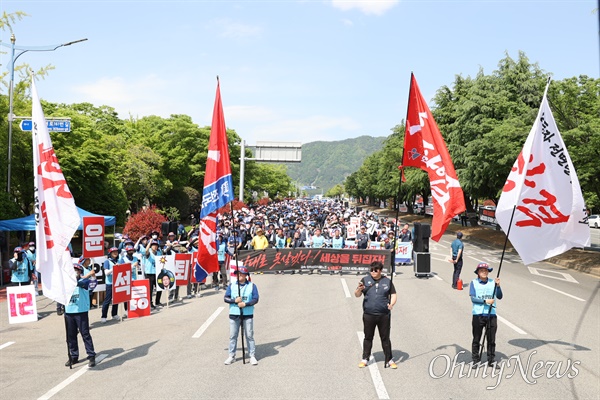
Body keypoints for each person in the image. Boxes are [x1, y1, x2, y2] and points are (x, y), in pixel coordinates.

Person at [354, 261, 397, 369]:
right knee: (368, 337)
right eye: (371, 270)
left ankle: (389, 359)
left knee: (385, 338)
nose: (373, 272)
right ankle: (365, 358)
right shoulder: (365, 280)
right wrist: (359, 289)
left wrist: (391, 304)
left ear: (380, 270)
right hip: (369, 314)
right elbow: (357, 295)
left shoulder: (387, 281)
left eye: (375, 270)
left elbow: (393, 294)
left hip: (384, 315)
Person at [224, 266, 259, 366]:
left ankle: (252, 355)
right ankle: (231, 355)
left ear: (246, 275)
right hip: (234, 314)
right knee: (233, 336)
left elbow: (255, 299)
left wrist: (245, 304)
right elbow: (226, 298)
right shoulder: (232, 285)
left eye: (241, 273)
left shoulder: (252, 286)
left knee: (249, 335)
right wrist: (234, 300)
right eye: (237, 273)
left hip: (247, 314)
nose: (239, 275)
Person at [470, 262, 503, 368]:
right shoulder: (473, 283)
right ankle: (476, 359)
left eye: (485, 270)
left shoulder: (493, 282)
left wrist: (498, 286)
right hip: (478, 314)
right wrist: (485, 301)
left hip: (491, 314)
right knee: (476, 338)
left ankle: (491, 360)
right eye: (481, 271)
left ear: (488, 272)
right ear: (478, 273)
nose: (484, 272)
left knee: (491, 339)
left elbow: (499, 296)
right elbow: (473, 298)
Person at [65, 263, 96, 368]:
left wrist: (77, 279)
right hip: (69, 311)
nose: (74, 272)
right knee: (71, 336)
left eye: (76, 270)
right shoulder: (65, 283)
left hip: (81, 311)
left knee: (85, 334)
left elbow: (89, 284)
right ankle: (74, 356)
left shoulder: (84, 281)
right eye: (72, 270)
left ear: (80, 272)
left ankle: (91, 355)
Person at [101, 247, 120, 323]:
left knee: (116, 299)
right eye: (113, 252)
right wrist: (114, 269)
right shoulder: (107, 261)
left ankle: (114, 314)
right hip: (110, 283)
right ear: (110, 253)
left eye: (116, 252)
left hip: (117, 282)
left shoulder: (119, 260)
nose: (115, 253)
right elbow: (106, 273)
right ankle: (103, 316)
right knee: (107, 300)